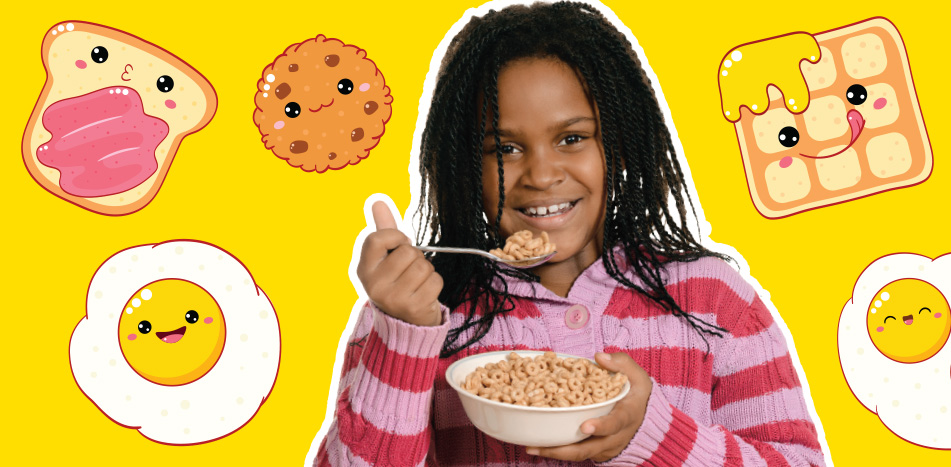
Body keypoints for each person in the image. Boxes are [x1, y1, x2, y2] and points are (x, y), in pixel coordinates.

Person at [313, 1, 825, 465]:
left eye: (572, 138)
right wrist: (404, 337)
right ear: (465, 166)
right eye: (505, 150)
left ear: (618, 146)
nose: (541, 174)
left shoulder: (710, 301)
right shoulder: (421, 312)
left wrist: (654, 435)